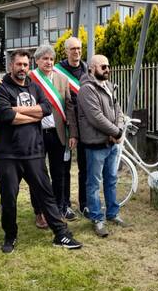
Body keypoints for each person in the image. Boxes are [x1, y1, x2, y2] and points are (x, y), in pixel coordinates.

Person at [0, 49, 82, 252]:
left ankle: (61, 234)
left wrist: (17, 110)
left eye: (25, 64)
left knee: (47, 195)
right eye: (18, 64)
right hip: (8, 155)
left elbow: (47, 109)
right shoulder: (0, 88)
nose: (22, 68)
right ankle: (10, 236)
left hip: (34, 152)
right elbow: (4, 115)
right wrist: (33, 114)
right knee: (8, 199)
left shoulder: (34, 86)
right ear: (10, 66)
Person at [78, 54, 127, 237]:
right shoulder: (86, 89)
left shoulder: (109, 86)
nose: (108, 70)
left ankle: (113, 213)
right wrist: (116, 132)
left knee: (111, 180)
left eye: (108, 66)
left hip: (111, 143)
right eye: (103, 67)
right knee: (93, 184)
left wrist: (119, 131)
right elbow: (95, 117)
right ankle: (97, 219)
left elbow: (119, 111)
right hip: (96, 144)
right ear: (92, 68)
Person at [30, 45, 78, 224]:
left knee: (59, 174)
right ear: (37, 61)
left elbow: (70, 108)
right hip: (36, 134)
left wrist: (73, 133)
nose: (49, 62)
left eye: (51, 59)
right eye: (45, 59)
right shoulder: (30, 78)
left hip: (58, 135)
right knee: (37, 175)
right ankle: (40, 211)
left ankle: (58, 209)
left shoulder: (62, 79)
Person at [55, 36, 89, 217]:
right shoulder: (57, 70)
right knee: (64, 168)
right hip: (66, 126)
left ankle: (85, 204)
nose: (76, 51)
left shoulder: (87, 69)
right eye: (73, 48)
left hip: (86, 127)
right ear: (66, 51)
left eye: (79, 48)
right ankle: (65, 204)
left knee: (85, 167)